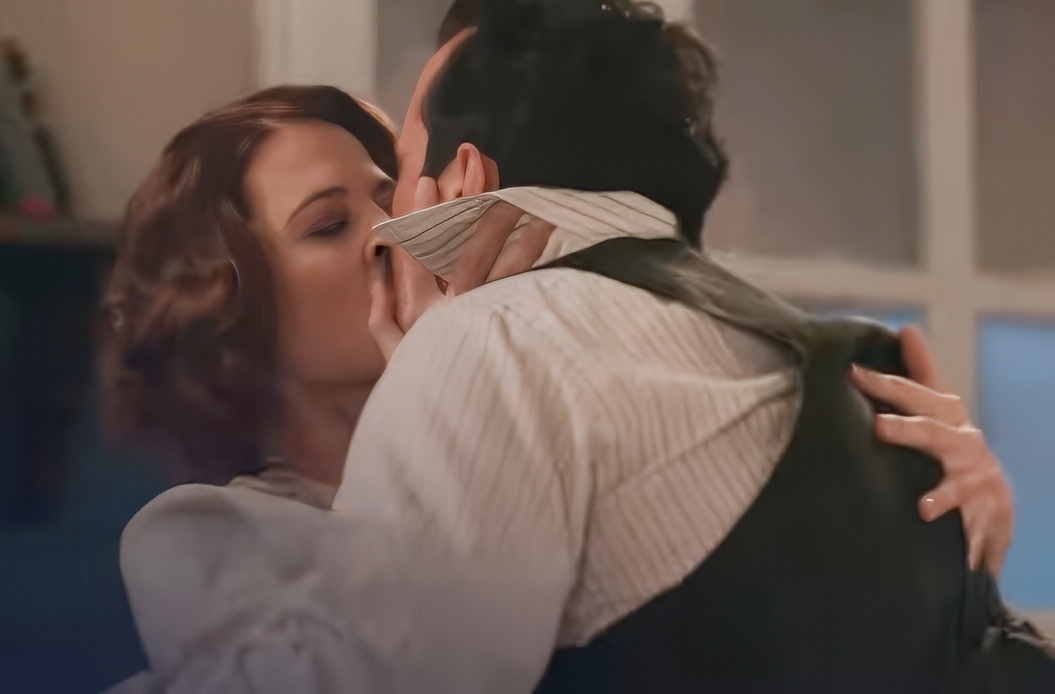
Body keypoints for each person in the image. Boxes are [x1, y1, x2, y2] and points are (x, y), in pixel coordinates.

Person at [104, 6, 1025, 694]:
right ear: (233, 324)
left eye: (393, 192)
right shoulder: (205, 540)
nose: (392, 230)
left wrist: (951, 547)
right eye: (327, 225)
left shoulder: (546, 371)